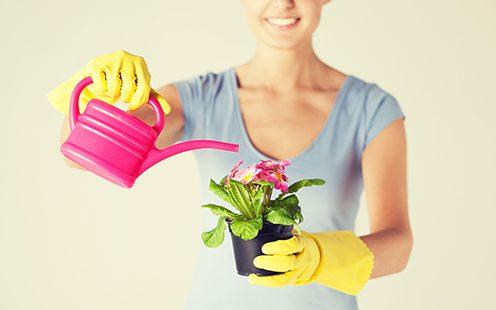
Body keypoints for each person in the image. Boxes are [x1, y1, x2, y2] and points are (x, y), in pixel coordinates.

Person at [48, 0, 413, 309]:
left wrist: (320, 257)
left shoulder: (372, 109)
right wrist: (98, 93)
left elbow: (398, 246)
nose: (284, 2)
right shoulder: (198, 99)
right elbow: (78, 154)